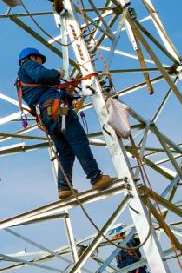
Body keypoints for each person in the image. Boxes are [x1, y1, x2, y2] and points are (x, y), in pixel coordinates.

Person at [16, 47, 115, 200]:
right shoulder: (28, 65)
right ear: (32, 57)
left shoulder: (21, 81)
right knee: (78, 140)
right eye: (39, 60)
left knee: (65, 150)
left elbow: (42, 85)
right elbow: (43, 75)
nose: (41, 63)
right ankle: (96, 177)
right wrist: (57, 73)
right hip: (58, 111)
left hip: (49, 118)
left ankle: (64, 188)